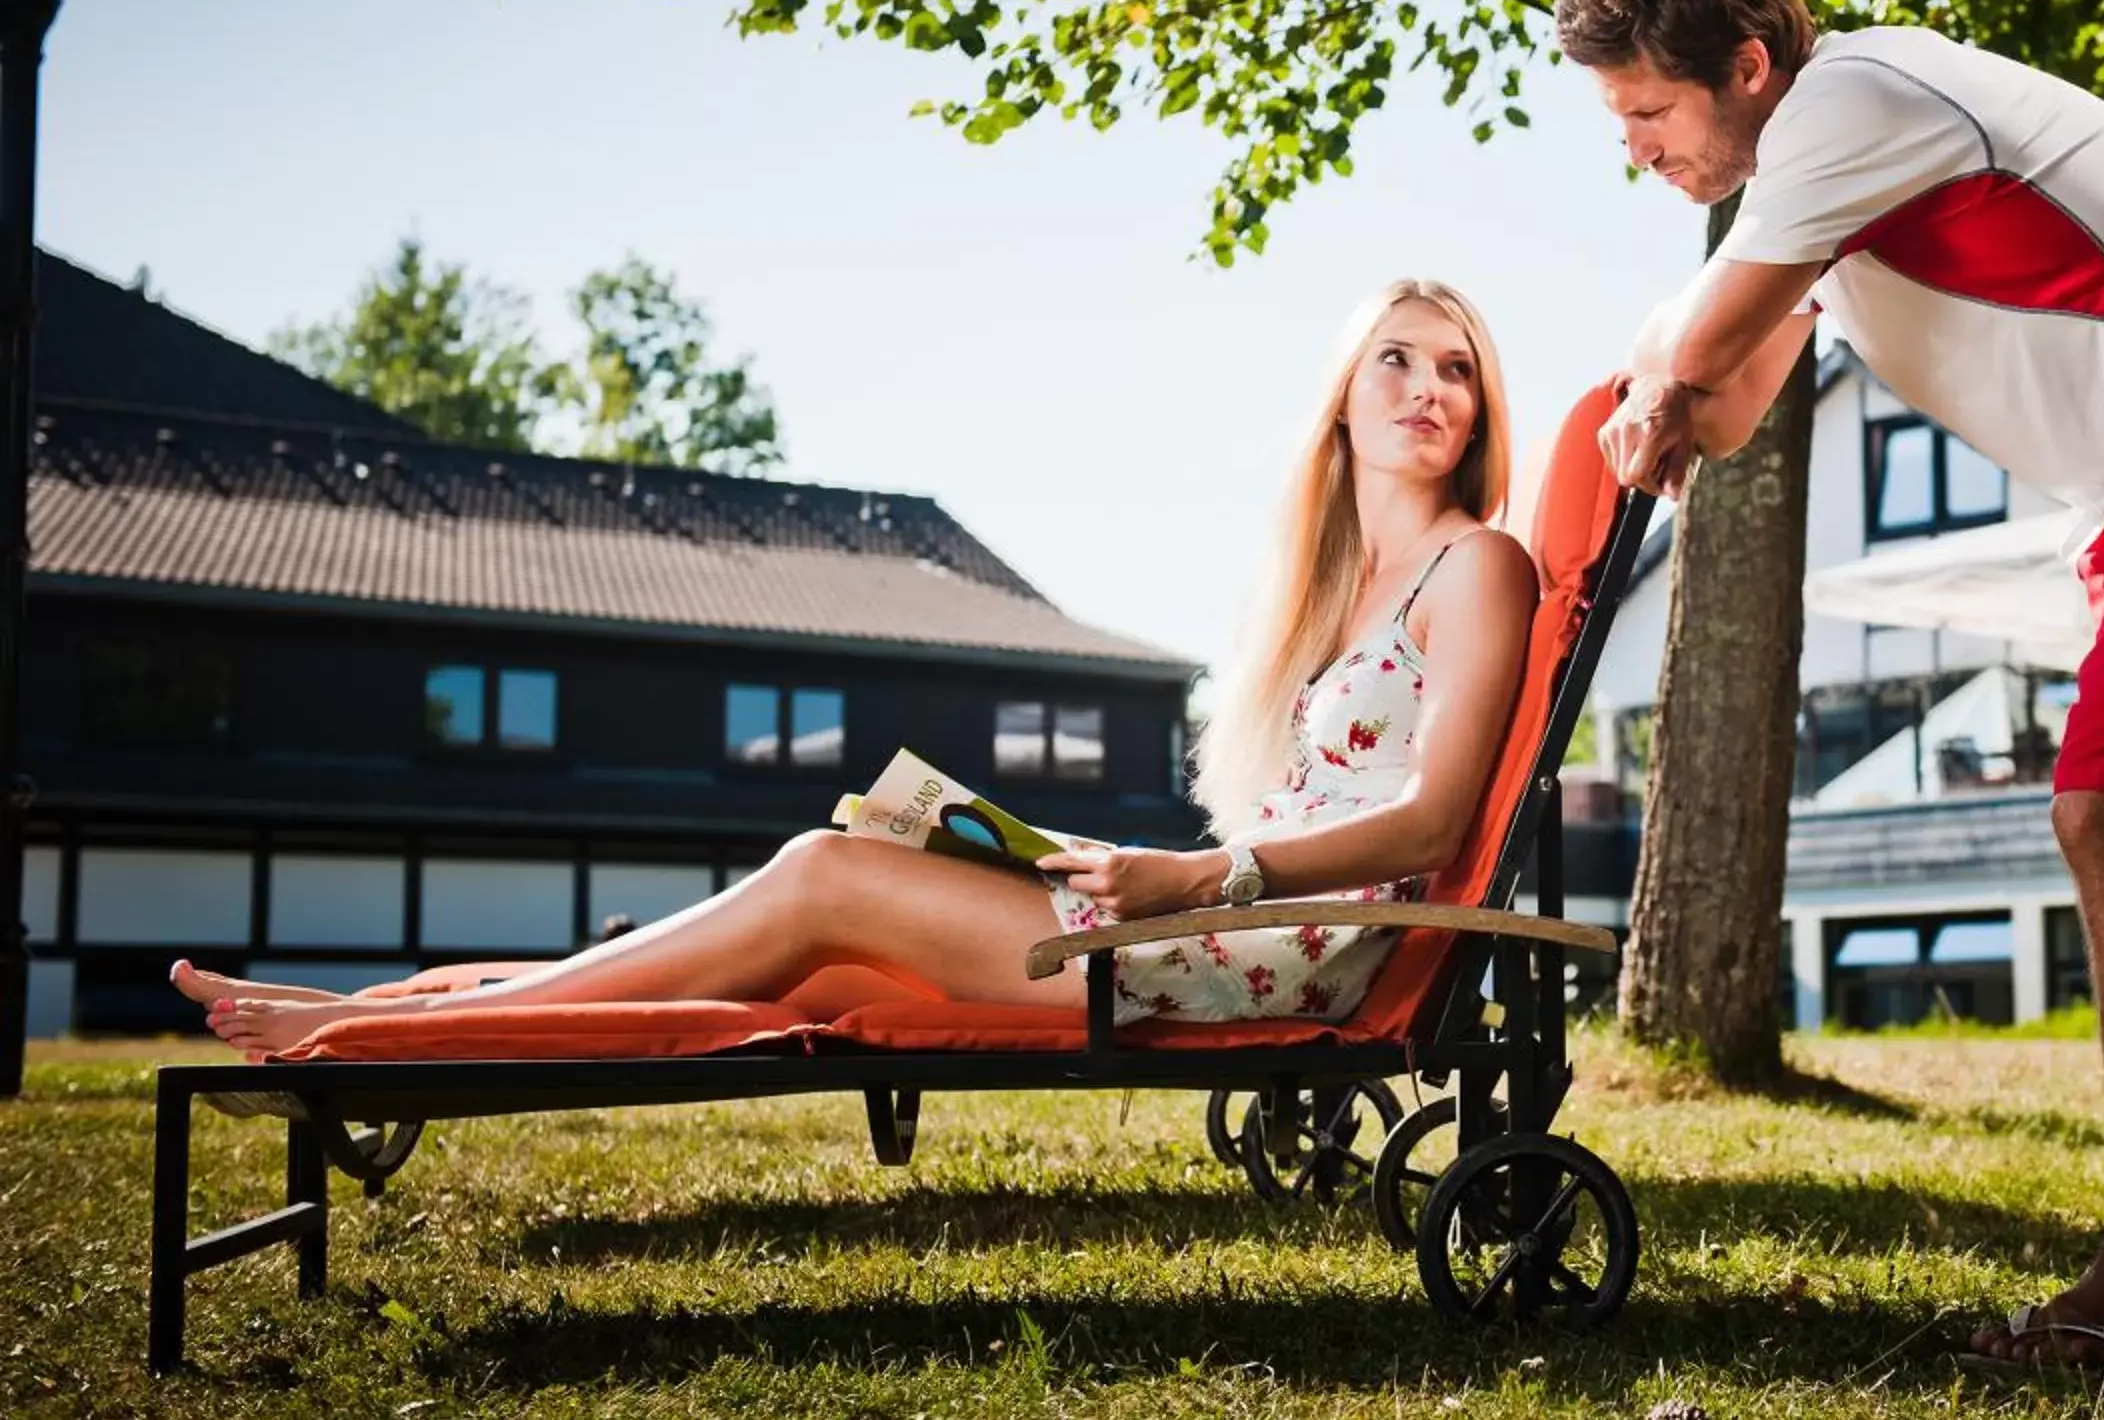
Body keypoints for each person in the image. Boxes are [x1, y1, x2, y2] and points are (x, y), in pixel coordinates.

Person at [1559, 0, 2104, 1375]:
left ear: (1746, 65)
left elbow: (1706, 361)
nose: (1638, 151)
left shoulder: (1848, 105)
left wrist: (1660, 389)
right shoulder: (1823, 190)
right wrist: (1656, 394)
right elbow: (1725, 398)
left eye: (1650, 111)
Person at [176, 281, 1540, 1061]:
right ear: (1343, 401)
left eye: (1458, 371)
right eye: (1396, 360)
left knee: (822, 883)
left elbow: (1428, 822)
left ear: (1480, 412)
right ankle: (428, 1005)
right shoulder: (1329, 594)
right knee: (825, 909)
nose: (1429, 387)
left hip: (1263, 952)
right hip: (1212, 920)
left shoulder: (1474, 568)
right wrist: (1110, 860)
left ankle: (386, 1037)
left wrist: (1199, 876)